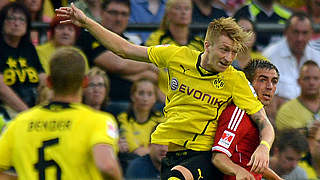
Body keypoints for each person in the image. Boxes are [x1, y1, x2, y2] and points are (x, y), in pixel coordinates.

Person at [56, 5, 275, 179]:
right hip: (169, 153)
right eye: (224, 49)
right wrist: (86, 22)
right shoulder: (175, 56)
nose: (229, 58)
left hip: (204, 155)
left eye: (234, 52)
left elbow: (264, 123)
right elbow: (124, 49)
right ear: (207, 45)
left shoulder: (235, 79)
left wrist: (264, 148)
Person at [0, 47, 123, 180]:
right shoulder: (98, 121)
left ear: (48, 82)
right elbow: (107, 166)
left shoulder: (20, 122)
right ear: (85, 82)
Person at [76, 0, 158, 105]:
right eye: (113, 13)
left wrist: (123, 72)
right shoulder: (89, 36)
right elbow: (118, 64)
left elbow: (154, 76)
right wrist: (149, 65)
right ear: (102, 12)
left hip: (136, 105)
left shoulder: (134, 40)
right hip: (105, 103)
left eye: (124, 14)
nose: (118, 19)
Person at [212, 59, 281, 180]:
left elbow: (247, 160)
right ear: (248, 83)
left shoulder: (260, 114)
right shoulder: (238, 113)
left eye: (274, 81)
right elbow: (218, 157)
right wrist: (238, 171)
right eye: (263, 80)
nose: (270, 86)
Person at [263, 12, 320, 122]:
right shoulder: (269, 55)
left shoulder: (317, 58)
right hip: (279, 121)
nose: (300, 38)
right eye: (295, 32)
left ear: (311, 34)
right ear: (286, 32)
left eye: (304, 33)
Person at [0, 2, 46, 119]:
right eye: (11, 18)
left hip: (32, 108)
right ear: (2, 22)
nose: (16, 23)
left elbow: (42, 77)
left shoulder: (28, 48)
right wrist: (27, 113)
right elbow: (1, 88)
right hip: (7, 109)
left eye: (22, 19)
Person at [118, 78, 164, 156]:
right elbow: (132, 147)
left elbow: (163, 147)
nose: (145, 98)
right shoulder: (123, 118)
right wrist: (150, 150)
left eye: (150, 94)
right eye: (141, 93)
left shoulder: (161, 120)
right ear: (132, 96)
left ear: (155, 98)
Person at [276, 60, 320, 131]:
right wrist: (308, 132)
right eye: (307, 78)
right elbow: (290, 139)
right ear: (299, 81)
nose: (311, 82)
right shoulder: (286, 111)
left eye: (316, 78)